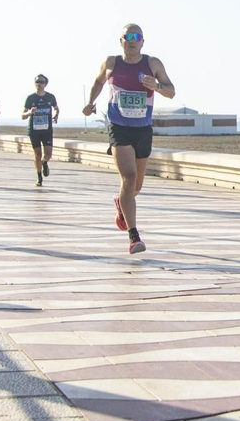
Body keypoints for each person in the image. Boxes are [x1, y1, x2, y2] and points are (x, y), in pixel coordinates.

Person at [82, 25, 175, 255]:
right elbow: (98, 82)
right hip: (119, 127)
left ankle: (121, 202)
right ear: (121, 41)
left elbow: (171, 91)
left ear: (143, 42)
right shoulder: (111, 63)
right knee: (129, 177)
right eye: (128, 37)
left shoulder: (153, 64)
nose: (132, 41)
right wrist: (91, 102)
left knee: (136, 186)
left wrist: (158, 86)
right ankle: (134, 236)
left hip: (142, 129)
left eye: (137, 37)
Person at [23, 74, 59, 187]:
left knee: (48, 153)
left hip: (47, 129)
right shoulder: (30, 98)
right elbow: (22, 115)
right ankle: (39, 177)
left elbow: (56, 108)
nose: (39, 84)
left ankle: (45, 162)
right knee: (37, 154)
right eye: (37, 82)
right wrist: (29, 112)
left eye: (41, 82)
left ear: (46, 84)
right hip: (34, 130)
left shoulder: (50, 97)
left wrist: (56, 115)